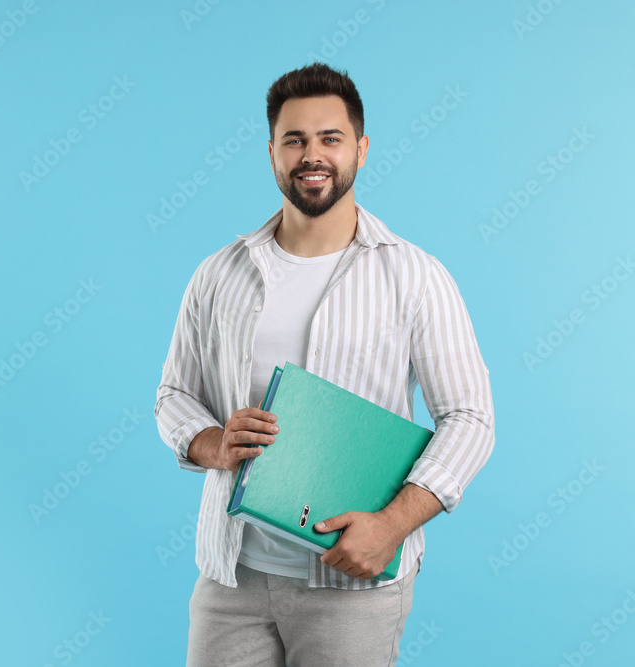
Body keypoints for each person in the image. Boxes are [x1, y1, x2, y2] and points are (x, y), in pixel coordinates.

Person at [153, 62, 495, 667]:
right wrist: (212, 442)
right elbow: (174, 394)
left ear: (360, 149)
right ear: (272, 153)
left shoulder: (415, 276)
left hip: (352, 585)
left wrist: (392, 525)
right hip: (231, 578)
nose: (313, 155)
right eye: (295, 139)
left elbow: (470, 419)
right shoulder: (218, 274)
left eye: (330, 138)